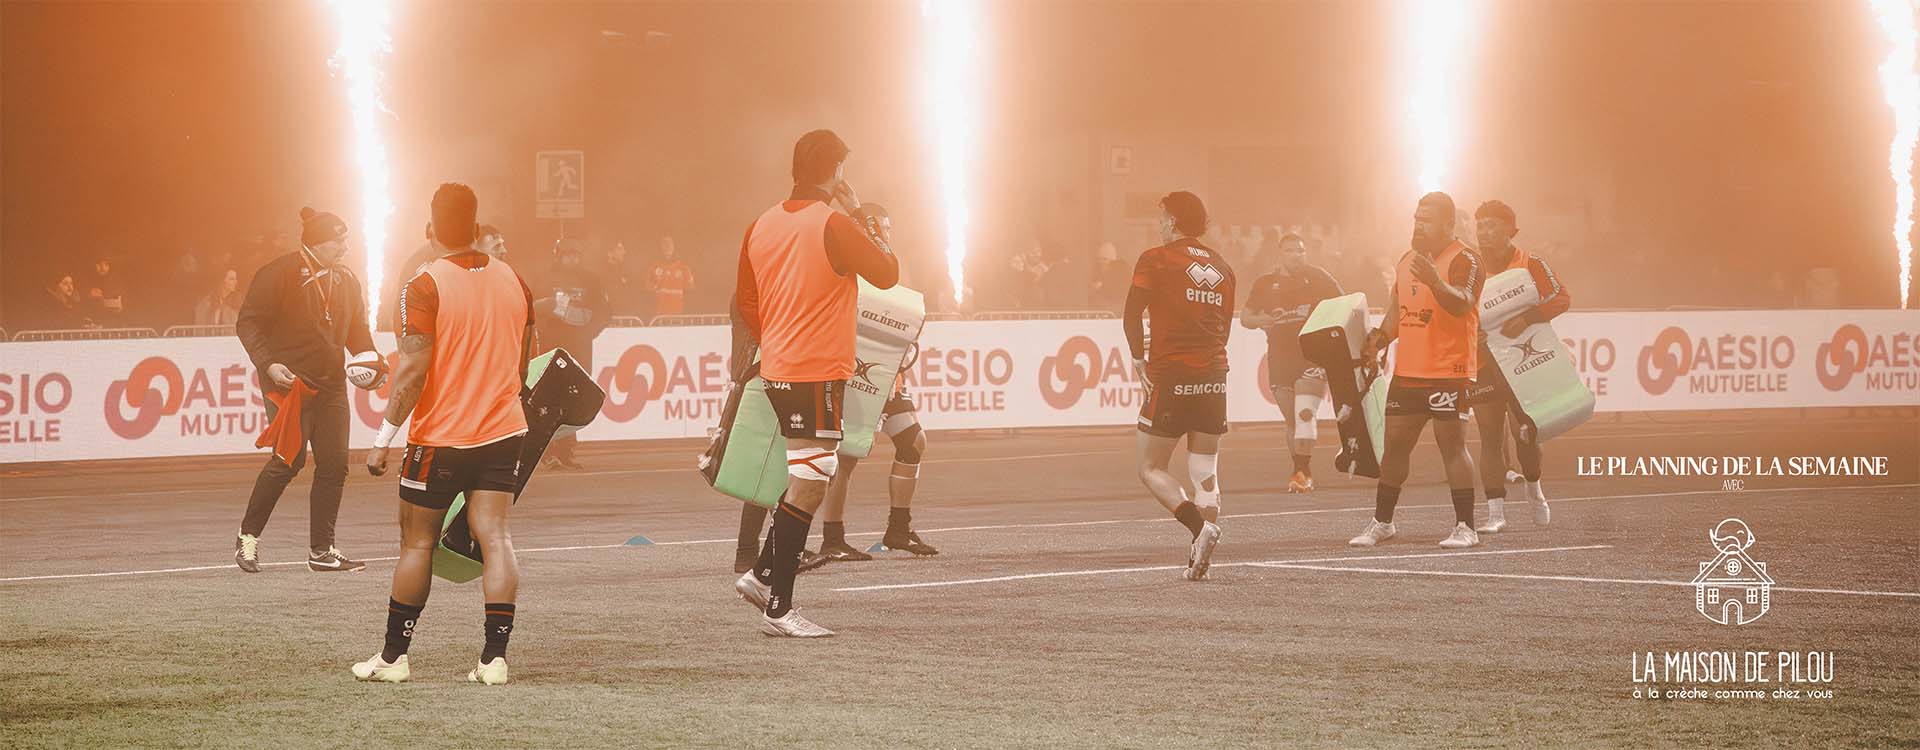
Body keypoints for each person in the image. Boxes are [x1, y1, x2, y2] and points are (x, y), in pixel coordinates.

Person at [356, 183, 537, 685]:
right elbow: (523, 363)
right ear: (477, 229)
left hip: (440, 437)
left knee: (417, 544)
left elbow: (412, 372)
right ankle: (494, 659)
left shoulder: (423, 284)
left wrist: (382, 439)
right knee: (496, 537)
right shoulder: (515, 280)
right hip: (503, 430)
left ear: (430, 230)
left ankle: (394, 658)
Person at [731, 129, 898, 637]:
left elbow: (746, 300)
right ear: (837, 170)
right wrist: (862, 213)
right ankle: (778, 607)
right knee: (811, 482)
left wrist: (777, 340)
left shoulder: (760, 224)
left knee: (807, 474)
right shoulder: (834, 223)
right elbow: (887, 272)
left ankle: (762, 576)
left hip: (779, 367)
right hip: (818, 369)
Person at [233, 207, 378, 574]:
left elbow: (357, 331)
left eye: (345, 240)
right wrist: (268, 364)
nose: (345, 247)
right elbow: (248, 323)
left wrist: (371, 360)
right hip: (289, 384)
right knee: (288, 460)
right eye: (338, 241)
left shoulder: (346, 279)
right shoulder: (278, 273)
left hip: (332, 386)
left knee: (335, 465)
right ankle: (247, 537)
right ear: (316, 242)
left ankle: (322, 550)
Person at [794, 204, 938, 571]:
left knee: (913, 441)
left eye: (888, 229)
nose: (886, 235)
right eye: (880, 229)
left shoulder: (884, 265)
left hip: (886, 378)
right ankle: (832, 537)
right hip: (856, 376)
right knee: (845, 457)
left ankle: (898, 529)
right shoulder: (848, 264)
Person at [1349, 192, 1485, 550]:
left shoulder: (1467, 259)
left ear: (1447, 224)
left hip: (1449, 370)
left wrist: (1436, 282)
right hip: (1408, 371)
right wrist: (1379, 340)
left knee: (1452, 446)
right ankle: (1383, 523)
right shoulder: (1407, 260)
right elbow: (1397, 310)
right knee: (1394, 446)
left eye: (1426, 219)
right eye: (1416, 218)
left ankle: (1466, 527)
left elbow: (1463, 304)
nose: (1418, 224)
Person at [1125, 191, 1236, 581]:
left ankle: (1198, 529)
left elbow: (1131, 313)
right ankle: (1200, 551)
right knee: (1205, 470)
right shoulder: (1223, 267)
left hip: (1172, 374)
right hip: (1214, 376)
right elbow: (1225, 327)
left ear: (1172, 220)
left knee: (1150, 467)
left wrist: (1138, 357)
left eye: (1161, 217)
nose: (1158, 224)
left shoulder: (1156, 259)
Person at [1467, 200, 1567, 533]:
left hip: (1523, 360)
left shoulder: (1530, 262)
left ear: (1511, 230)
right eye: (1480, 225)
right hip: (1483, 362)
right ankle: (1495, 513)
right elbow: (1456, 311)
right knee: (1489, 436)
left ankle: (1534, 487)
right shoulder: (1470, 266)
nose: (1484, 232)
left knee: (1525, 433)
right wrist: (1473, 332)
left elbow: (1561, 298)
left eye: (1492, 225)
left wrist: (1527, 319)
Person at [1240, 232, 1344, 492]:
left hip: (1312, 355)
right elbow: (1245, 317)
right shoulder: (1265, 284)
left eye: (1300, 250)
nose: (1297, 255)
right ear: (1280, 254)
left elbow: (1344, 303)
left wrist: (1328, 324)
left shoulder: (1318, 277)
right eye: (1290, 251)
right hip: (1279, 357)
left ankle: (1302, 473)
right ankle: (1299, 468)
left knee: (1305, 413)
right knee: (1292, 421)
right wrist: (1261, 320)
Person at [533, 238, 609, 469]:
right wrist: (547, 326)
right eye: (568, 255)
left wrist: (587, 331)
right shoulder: (543, 279)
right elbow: (532, 309)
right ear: (559, 256)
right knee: (549, 400)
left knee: (574, 401)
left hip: (580, 349)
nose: (573, 259)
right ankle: (546, 451)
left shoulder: (591, 280)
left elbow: (603, 312)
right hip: (551, 349)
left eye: (576, 255)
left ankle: (566, 451)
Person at [648, 236, 696, 316]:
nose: (667, 247)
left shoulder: (683, 268)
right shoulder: (654, 268)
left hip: (678, 314)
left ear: (675, 246)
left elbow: (690, 292)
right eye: (664, 244)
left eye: (670, 244)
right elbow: (649, 294)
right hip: (659, 316)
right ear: (660, 247)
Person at [81, 254, 127, 326]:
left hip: (112, 321)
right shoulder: (86, 282)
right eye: (99, 264)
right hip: (92, 321)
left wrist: (121, 307)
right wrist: (89, 294)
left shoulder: (116, 282)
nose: (103, 268)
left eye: (106, 264)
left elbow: (123, 302)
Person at [602, 241, 645, 317]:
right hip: (610, 316)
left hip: (626, 315)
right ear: (610, 253)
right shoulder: (602, 271)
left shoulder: (625, 271)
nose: (624, 252)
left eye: (624, 249)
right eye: (619, 249)